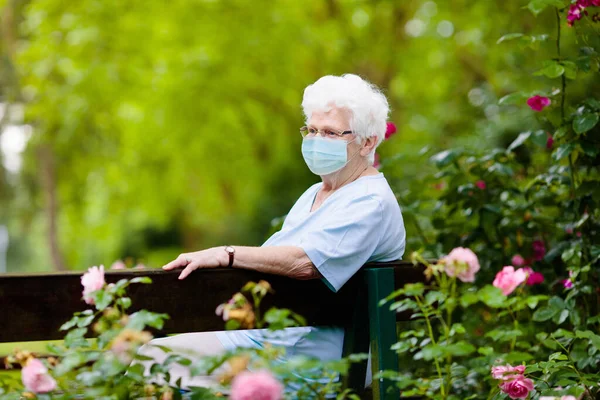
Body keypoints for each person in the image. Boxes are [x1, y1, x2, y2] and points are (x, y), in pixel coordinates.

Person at [139, 73, 406, 389]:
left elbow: (306, 263)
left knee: (160, 365)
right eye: (312, 130)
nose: (316, 140)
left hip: (316, 359)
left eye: (331, 133)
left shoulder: (370, 201)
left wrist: (225, 254)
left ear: (368, 142)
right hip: (270, 339)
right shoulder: (315, 194)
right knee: (153, 359)